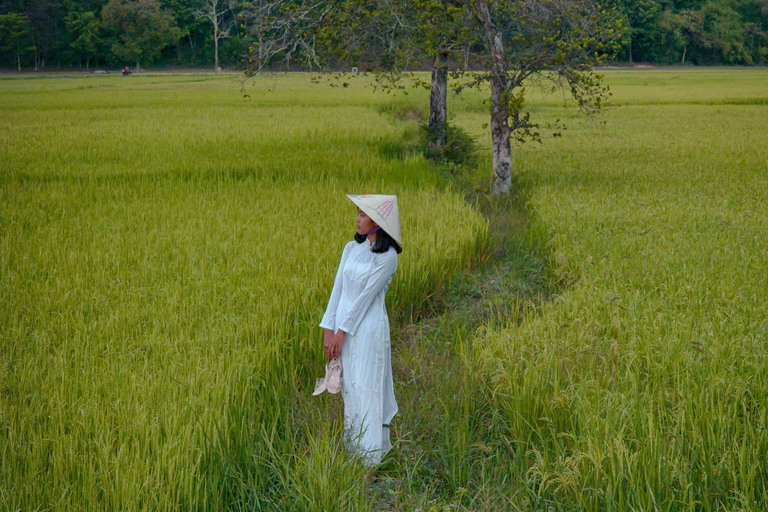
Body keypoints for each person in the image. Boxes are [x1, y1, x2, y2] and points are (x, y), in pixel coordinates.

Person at [319, 194, 403, 467]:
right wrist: (328, 331)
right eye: (357, 213)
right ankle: (353, 455)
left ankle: (370, 464)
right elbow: (338, 292)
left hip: (368, 331)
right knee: (349, 389)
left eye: (362, 214)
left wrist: (342, 331)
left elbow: (365, 299)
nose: (357, 219)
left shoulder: (388, 257)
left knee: (366, 387)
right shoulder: (350, 249)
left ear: (377, 222)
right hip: (344, 328)